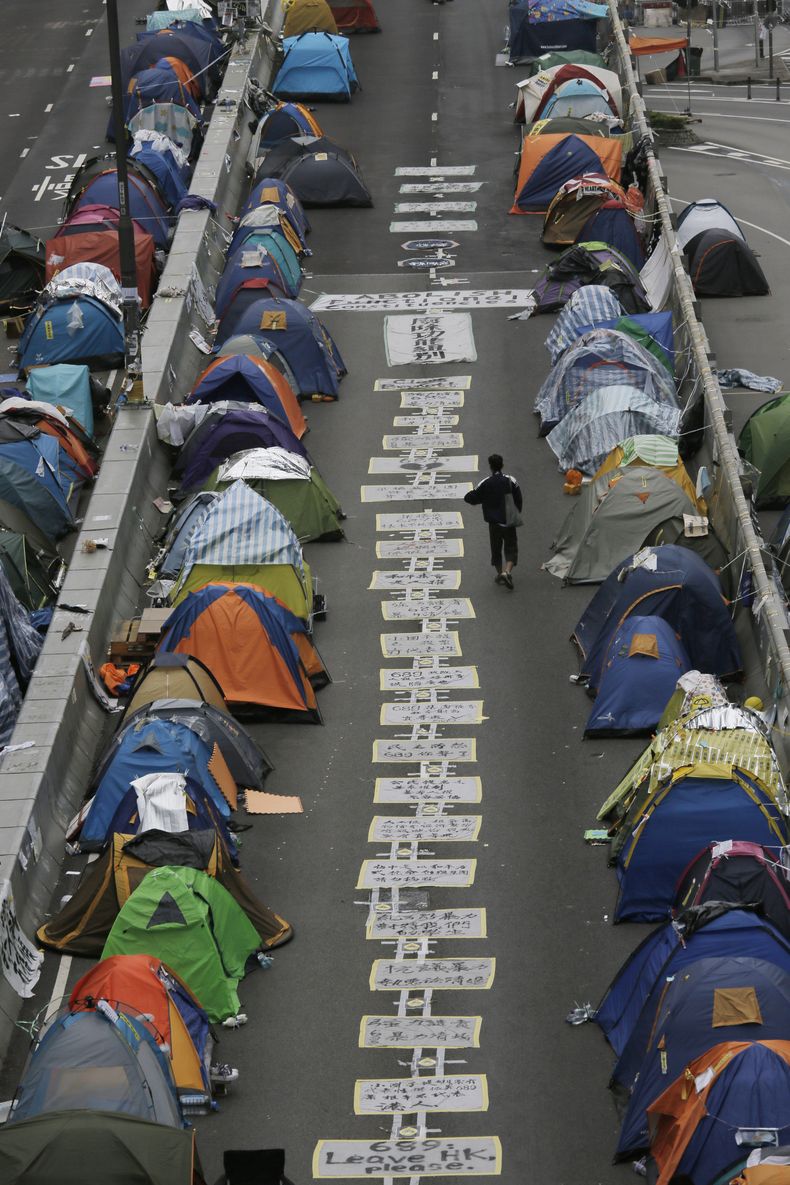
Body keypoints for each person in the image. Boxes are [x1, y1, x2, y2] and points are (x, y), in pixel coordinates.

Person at [464, 453, 522, 589]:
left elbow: (471, 498)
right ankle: (507, 572)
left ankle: (500, 572)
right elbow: (518, 498)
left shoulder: (486, 483)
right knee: (511, 547)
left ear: (490, 467)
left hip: (494, 524)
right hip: (508, 521)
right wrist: (516, 513)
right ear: (502, 465)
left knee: (496, 549)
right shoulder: (510, 480)